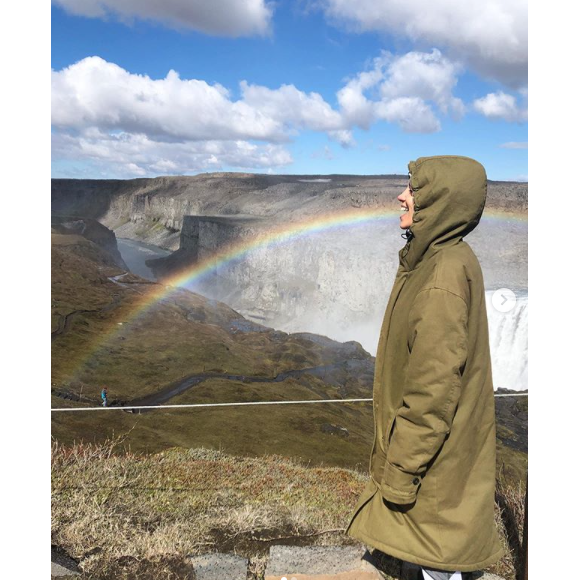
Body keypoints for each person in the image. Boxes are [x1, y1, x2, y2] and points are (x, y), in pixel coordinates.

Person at [345, 156, 505, 580]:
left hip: (434, 477)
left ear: (441, 200)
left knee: (437, 567)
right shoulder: (443, 257)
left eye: (413, 189)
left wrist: (398, 476)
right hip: (442, 467)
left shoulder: (442, 275)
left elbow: (431, 394)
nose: (401, 196)